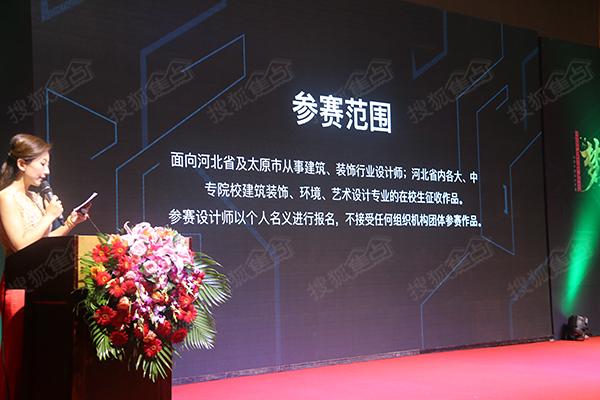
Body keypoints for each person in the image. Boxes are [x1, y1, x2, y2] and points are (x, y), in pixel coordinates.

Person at [0, 133, 88, 400]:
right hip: (20, 287)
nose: (47, 171)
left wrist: (69, 223)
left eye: (48, 164)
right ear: (22, 164)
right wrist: (49, 216)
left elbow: (44, 244)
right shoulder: (5, 197)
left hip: (46, 285)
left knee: (42, 357)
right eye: (42, 164)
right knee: (19, 355)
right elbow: (22, 245)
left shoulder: (36, 198)